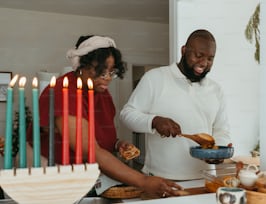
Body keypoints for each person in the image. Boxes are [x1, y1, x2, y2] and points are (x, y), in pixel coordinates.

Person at [26, 35, 182, 197]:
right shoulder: (63, 91)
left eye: (111, 71)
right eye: (100, 71)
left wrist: (117, 144)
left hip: (84, 172)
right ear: (81, 66)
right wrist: (143, 181)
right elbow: (89, 151)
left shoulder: (102, 93)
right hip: (52, 173)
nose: (107, 78)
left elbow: (97, 136)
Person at [120, 29, 231, 180]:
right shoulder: (155, 78)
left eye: (210, 59)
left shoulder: (216, 90)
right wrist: (154, 121)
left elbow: (221, 130)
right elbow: (126, 115)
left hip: (205, 180)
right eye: (198, 56)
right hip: (161, 179)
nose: (204, 63)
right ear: (184, 51)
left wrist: (218, 151)